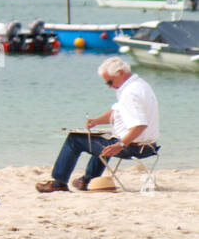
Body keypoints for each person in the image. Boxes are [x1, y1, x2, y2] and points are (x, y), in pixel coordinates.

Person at [37, 57, 160, 193]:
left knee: (74, 140)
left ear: (120, 73)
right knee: (103, 137)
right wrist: (96, 121)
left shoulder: (130, 93)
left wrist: (120, 145)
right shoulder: (141, 85)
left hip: (133, 147)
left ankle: (59, 182)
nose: (109, 86)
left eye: (110, 81)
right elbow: (117, 112)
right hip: (149, 146)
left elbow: (140, 125)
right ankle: (88, 180)